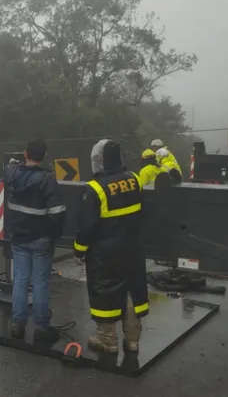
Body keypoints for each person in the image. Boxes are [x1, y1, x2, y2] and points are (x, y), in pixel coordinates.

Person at [74, 139, 148, 353]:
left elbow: (87, 227)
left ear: (99, 160)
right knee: (131, 291)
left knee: (105, 291)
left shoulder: (95, 189)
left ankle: (107, 340)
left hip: (104, 254)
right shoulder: (134, 180)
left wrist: (79, 249)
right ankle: (133, 340)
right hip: (132, 249)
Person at [3, 139, 67, 343]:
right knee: (40, 282)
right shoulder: (47, 179)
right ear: (44, 156)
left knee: (20, 280)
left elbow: (9, 167)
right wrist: (53, 236)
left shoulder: (12, 174)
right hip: (40, 238)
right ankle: (41, 326)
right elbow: (57, 212)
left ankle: (17, 324)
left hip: (18, 237)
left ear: (25, 154)